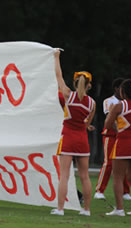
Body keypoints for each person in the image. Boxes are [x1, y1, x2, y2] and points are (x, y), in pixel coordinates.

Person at [51, 49, 96, 216]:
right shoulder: (92, 103)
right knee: (85, 176)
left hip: (68, 138)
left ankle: (60, 209)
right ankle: (86, 210)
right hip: (82, 140)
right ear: (89, 85)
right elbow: (86, 124)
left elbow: (58, 75)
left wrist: (56, 56)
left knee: (64, 176)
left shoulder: (68, 95)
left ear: (75, 82)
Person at [105, 79, 131, 216]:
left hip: (123, 143)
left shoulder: (119, 106)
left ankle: (119, 209)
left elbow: (107, 124)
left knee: (117, 177)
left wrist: (118, 129)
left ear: (122, 91)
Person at [94, 78, 131, 201]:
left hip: (123, 136)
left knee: (124, 165)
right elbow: (109, 118)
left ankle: (125, 192)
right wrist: (120, 131)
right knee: (109, 163)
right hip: (111, 135)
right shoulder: (109, 101)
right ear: (117, 89)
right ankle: (99, 190)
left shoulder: (128, 103)